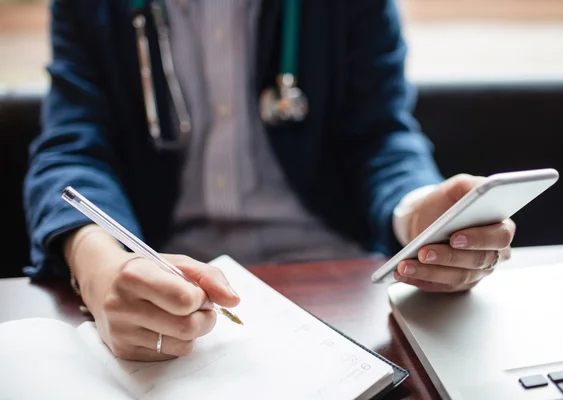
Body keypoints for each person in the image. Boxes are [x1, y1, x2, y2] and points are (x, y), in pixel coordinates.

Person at [23, 0, 515, 361]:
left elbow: (379, 135)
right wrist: (101, 267)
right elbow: (72, 153)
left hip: (339, 286)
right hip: (173, 284)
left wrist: (418, 214)